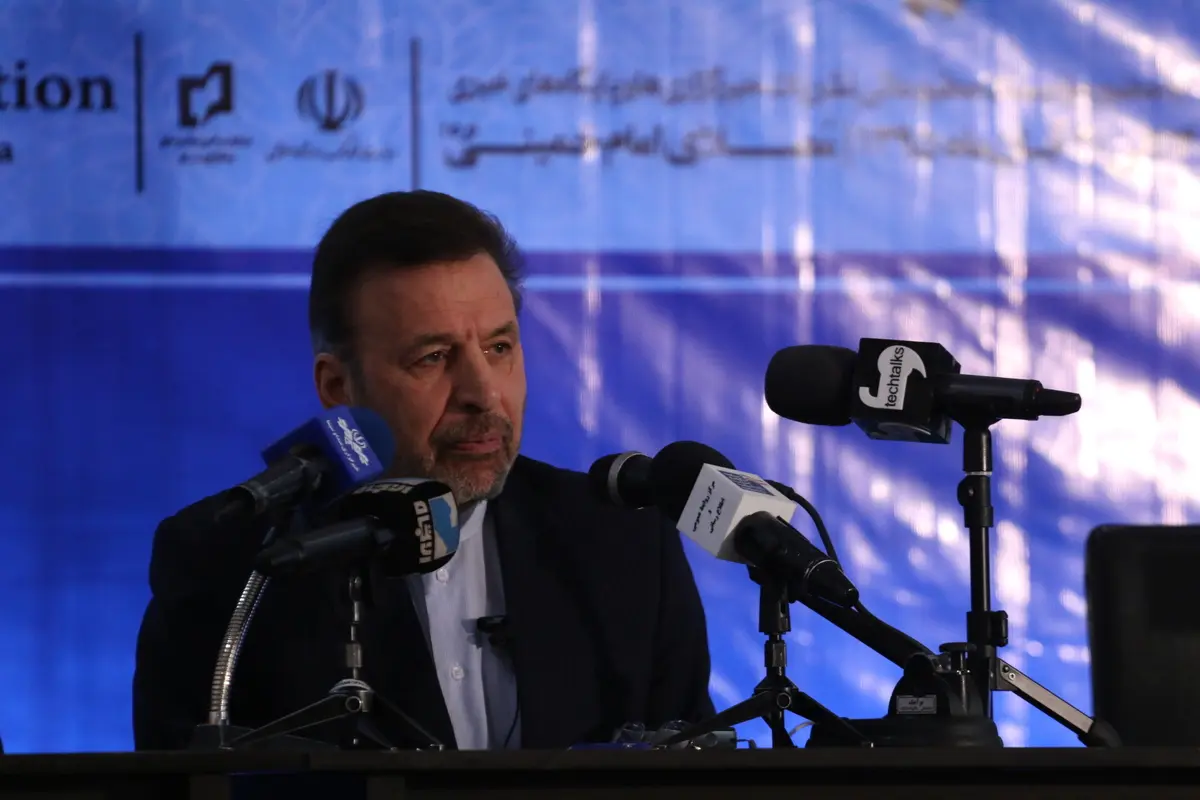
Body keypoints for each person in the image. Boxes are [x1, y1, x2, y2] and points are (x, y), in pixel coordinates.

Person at [133, 190, 715, 751]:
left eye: (499, 348)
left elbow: (691, 776)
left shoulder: (626, 544)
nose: (483, 393)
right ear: (337, 387)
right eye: (433, 357)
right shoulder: (232, 568)